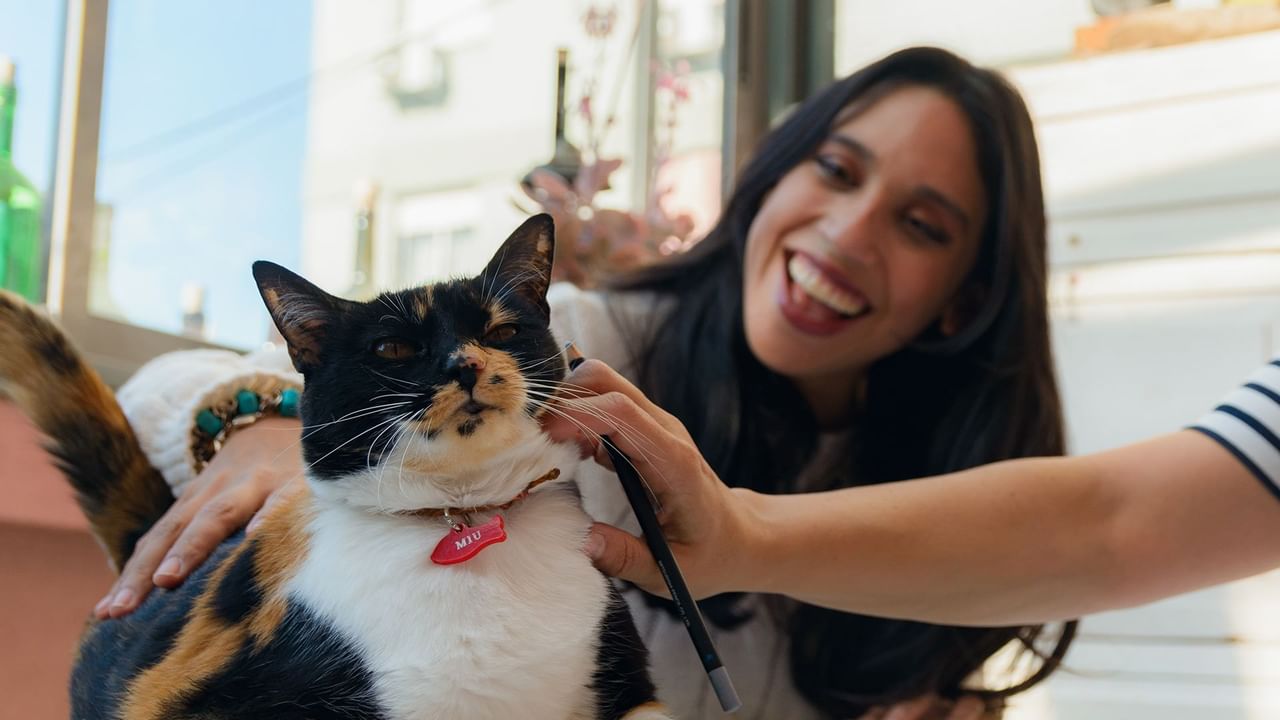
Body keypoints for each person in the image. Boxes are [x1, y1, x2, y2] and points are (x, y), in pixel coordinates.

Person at [97, 47, 1073, 719]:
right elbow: (165, 386)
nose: (846, 235)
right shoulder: (591, 361)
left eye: (921, 226)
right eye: (833, 168)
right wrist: (264, 421)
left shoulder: (926, 488)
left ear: (964, 298)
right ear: (770, 176)